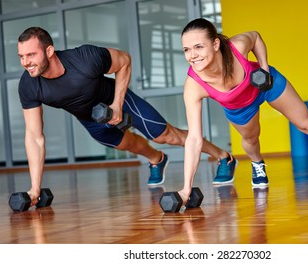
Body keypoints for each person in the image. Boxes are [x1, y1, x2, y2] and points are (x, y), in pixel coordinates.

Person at [17, 26, 237, 207]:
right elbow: (34, 137)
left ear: (49, 51)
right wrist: (35, 187)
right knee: (127, 144)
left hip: (117, 99)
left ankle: (222, 156)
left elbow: (124, 61)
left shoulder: (84, 57)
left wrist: (117, 105)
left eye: (31, 55)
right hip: (88, 117)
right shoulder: (28, 85)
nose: (26, 62)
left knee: (164, 136)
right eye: (21, 56)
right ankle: (157, 159)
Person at [178, 18, 308, 203]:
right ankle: (258, 164)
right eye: (187, 49)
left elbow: (256, 37)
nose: (192, 55)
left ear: (216, 44)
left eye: (199, 47)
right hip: (239, 104)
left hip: (264, 84)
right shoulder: (194, 86)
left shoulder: (238, 46)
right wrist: (187, 187)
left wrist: (264, 69)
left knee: (307, 124)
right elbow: (194, 138)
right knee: (251, 139)